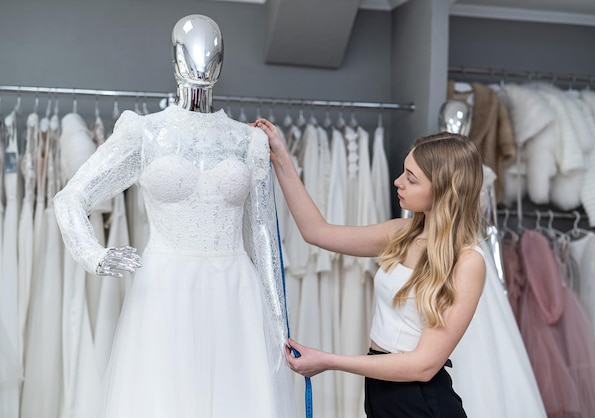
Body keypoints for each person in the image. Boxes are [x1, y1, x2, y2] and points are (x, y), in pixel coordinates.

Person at [53, 15, 296, 418]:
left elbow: (264, 233)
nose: (202, 64)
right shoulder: (144, 134)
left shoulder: (247, 140)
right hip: (165, 291)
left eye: (211, 53)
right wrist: (93, 254)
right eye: (192, 53)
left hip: (235, 292)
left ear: (222, 62)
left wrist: (278, 321)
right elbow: (70, 198)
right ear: (174, 60)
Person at [254, 117, 487, 417]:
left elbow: (424, 365)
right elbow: (316, 232)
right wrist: (280, 156)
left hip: (421, 401)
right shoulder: (401, 234)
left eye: (411, 178)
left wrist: (329, 360)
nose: (398, 182)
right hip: (380, 393)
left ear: (443, 191)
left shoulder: (468, 261)